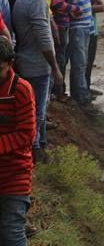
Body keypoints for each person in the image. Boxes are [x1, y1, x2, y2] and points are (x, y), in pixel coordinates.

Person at [8, 0, 62, 160]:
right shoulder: (33, 0)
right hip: (36, 64)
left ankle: (41, 145)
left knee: (37, 108)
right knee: (37, 111)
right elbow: (43, 37)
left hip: (28, 61)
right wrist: (55, 67)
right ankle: (36, 150)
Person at [0, 36, 36, 246]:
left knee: (11, 234)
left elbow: (26, 134)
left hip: (15, 173)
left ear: (10, 64)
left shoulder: (21, 89)